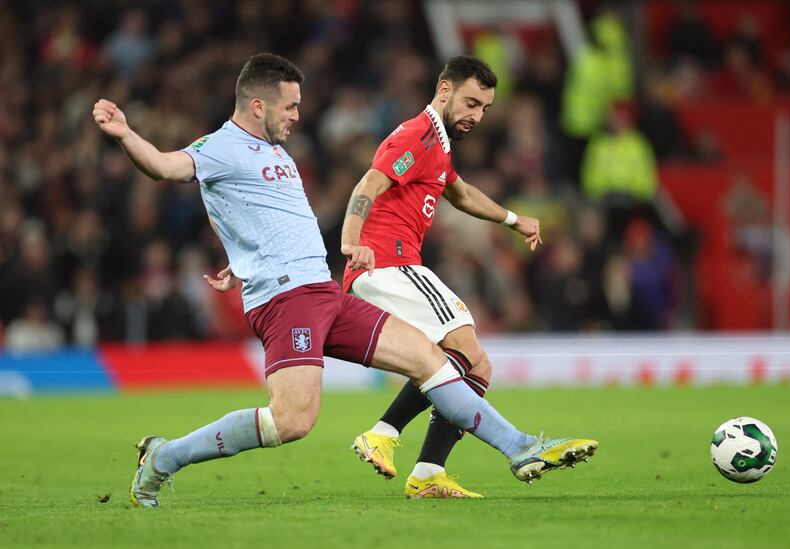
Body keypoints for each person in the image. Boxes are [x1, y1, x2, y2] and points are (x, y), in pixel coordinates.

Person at [92, 53, 597, 508]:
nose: (297, 115)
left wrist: (240, 256)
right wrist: (126, 136)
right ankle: (163, 457)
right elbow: (162, 166)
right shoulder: (220, 147)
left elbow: (254, 213)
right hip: (287, 301)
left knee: (432, 359)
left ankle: (520, 447)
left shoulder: (276, 152)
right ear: (258, 105)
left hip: (324, 292)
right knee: (291, 422)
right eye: (289, 106)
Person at [340, 56, 545, 498]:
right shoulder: (418, 135)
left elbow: (462, 193)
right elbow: (367, 186)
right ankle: (384, 433)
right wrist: (351, 242)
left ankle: (428, 471)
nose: (476, 116)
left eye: (485, 108)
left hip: (391, 266)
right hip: (390, 263)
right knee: (468, 353)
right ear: (445, 89)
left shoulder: (440, 143)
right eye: (471, 102)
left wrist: (513, 219)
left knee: (472, 366)